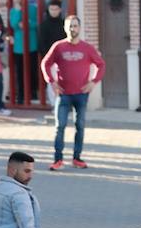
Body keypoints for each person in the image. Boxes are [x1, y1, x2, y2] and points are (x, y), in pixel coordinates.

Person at [40, 14, 105, 171]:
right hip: (63, 94)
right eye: (70, 26)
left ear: (80, 28)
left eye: (75, 26)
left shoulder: (87, 48)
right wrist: (52, 81)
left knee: (80, 126)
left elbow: (101, 65)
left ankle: (77, 158)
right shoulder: (58, 47)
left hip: (81, 94)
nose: (72, 29)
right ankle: (58, 159)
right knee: (60, 126)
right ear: (65, 28)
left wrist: (93, 82)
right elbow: (45, 63)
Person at [8, 0, 39, 106]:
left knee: (32, 70)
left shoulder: (32, 8)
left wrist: (27, 23)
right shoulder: (13, 11)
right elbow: (13, 24)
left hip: (31, 43)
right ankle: (21, 95)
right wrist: (17, 11)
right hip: (19, 46)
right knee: (19, 71)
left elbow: (36, 23)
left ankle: (33, 93)